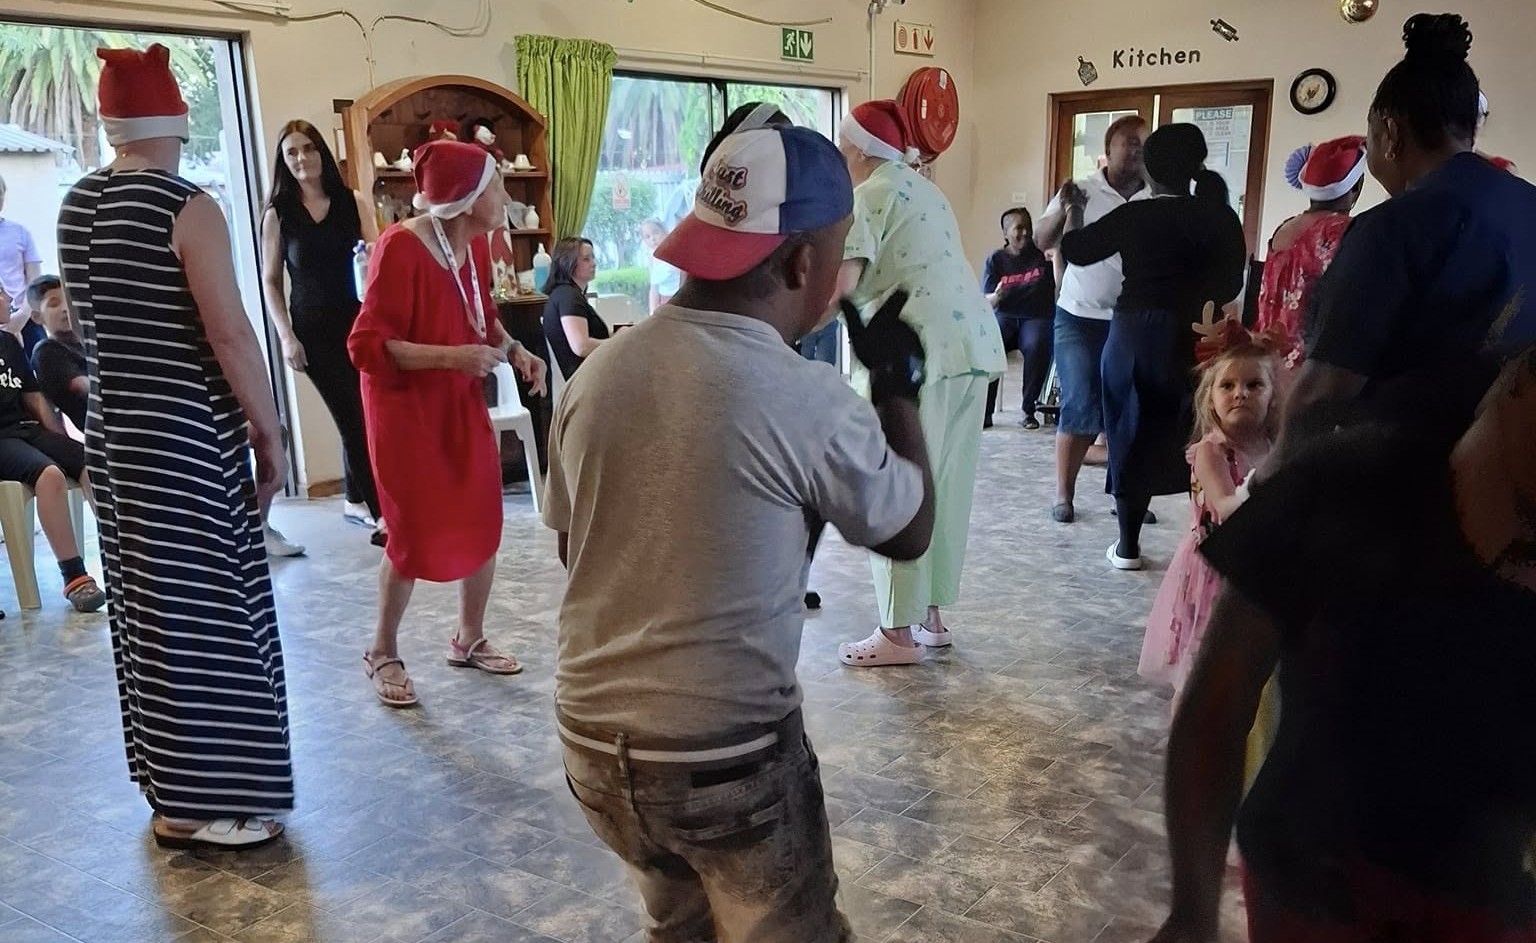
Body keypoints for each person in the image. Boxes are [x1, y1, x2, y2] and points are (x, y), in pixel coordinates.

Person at [544, 121, 934, 943]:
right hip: (727, 760)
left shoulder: (598, 373)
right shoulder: (806, 395)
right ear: (801, 265)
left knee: (680, 928)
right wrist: (898, 388)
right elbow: (907, 531)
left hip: (593, 747)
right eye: (839, 253)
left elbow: (574, 551)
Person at [1146, 342, 1536, 943]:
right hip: (1312, 878)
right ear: (1517, 382)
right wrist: (1192, 915)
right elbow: (1218, 698)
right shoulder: (1343, 485)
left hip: (1494, 896)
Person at [58, 44, 291, 849]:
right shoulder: (186, 207)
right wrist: (269, 429)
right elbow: (229, 334)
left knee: (149, 613)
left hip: (115, 438)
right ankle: (199, 804)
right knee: (209, 608)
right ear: (178, 121)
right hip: (186, 435)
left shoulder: (76, 204)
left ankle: (169, 787)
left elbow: (89, 323)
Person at [349, 139, 547, 708]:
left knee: (483, 515)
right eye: (496, 186)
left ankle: (468, 637)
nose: (505, 196)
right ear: (466, 199)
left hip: (458, 404)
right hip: (405, 413)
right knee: (410, 533)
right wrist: (452, 357)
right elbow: (367, 346)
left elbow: (482, 317)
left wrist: (514, 350)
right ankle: (382, 650)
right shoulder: (400, 248)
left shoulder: (475, 246)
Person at [1285, 13, 1536, 445]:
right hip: (1517, 455)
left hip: (1416, 466)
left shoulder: (1391, 227)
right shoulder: (1527, 204)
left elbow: (1322, 394)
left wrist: (1268, 472)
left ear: (1390, 133)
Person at [833, 98, 1004, 667]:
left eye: (841, 147)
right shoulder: (927, 191)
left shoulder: (868, 196)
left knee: (897, 485)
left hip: (914, 357)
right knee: (946, 486)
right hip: (972, 346)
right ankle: (931, 618)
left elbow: (840, 286)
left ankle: (895, 633)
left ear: (858, 151)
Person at [1060, 123, 1247, 571]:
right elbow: (1230, 284)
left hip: (1133, 337)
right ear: (1196, 167)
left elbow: (1076, 250)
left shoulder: (1136, 215)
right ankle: (1208, 539)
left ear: (1150, 171)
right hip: (1198, 337)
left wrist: (1074, 209)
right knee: (1199, 434)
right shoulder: (1220, 216)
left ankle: (1128, 546)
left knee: (1129, 433)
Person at [1138, 324, 1281, 696]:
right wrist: (1262, 480)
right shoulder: (1211, 452)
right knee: (1198, 674)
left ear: (1273, 396)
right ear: (1210, 398)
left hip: (1255, 571)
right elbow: (1227, 507)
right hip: (1213, 572)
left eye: (1254, 385)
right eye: (1227, 386)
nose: (1240, 394)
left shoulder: (1272, 447)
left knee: (1243, 669)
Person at [260, 118, 384, 543]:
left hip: (359, 323)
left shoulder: (352, 201)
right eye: (292, 152)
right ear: (283, 160)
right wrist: (286, 337)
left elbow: (377, 258)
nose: (301, 158)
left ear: (321, 152)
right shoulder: (278, 214)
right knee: (352, 416)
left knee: (365, 409)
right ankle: (383, 515)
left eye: (308, 148)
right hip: (312, 332)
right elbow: (270, 281)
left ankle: (354, 497)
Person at [1035, 114, 1151, 523]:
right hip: (1079, 315)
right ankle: (1063, 495)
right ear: (1108, 148)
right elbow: (1042, 239)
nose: (1136, 149)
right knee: (1080, 401)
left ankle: (1126, 495)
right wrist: (1067, 210)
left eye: (1142, 142)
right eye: (1129, 141)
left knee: (1128, 410)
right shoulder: (1081, 189)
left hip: (1132, 318)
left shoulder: (1155, 195)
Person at [0, 324, 105, 612]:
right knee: (49, 475)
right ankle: (75, 577)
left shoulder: (7, 342)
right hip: (2, 439)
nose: (8, 302)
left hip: (25, 429)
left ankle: (120, 551)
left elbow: (33, 396)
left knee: (89, 460)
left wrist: (60, 442)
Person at [1256, 137, 1366, 367]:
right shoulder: (1344, 230)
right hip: (1311, 368)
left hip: (1265, 361)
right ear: (1356, 186)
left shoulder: (1284, 227)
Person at [982, 206, 1056, 429]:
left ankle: (1028, 410)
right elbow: (986, 301)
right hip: (1006, 316)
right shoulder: (995, 259)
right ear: (1006, 234)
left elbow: (1058, 287)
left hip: (1036, 316)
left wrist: (1057, 260)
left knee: (1037, 344)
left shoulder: (1042, 256)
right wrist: (997, 296)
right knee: (990, 343)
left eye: (1028, 227)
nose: (1025, 233)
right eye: (1019, 228)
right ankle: (985, 412)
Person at [539, 237, 607, 380]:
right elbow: (581, 346)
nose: (594, 263)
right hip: (585, 381)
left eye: (593, 257)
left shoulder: (565, 294)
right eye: (586, 259)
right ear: (568, 263)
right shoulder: (569, 296)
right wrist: (618, 342)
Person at [27, 275, 88, 433]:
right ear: (37, 317)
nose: (66, 308)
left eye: (69, 300)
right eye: (54, 304)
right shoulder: (47, 351)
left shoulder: (88, 342)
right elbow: (82, 387)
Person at [0, 174, 42, 342]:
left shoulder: (20, 233)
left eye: (0, 193)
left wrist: (22, 315)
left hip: (25, 318)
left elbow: (35, 280)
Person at [640, 217, 680, 314]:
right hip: (664, 302)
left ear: (665, 232)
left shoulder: (675, 252)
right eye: (648, 236)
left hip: (680, 300)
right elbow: (654, 288)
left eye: (656, 233)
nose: (653, 239)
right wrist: (652, 312)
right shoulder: (651, 259)